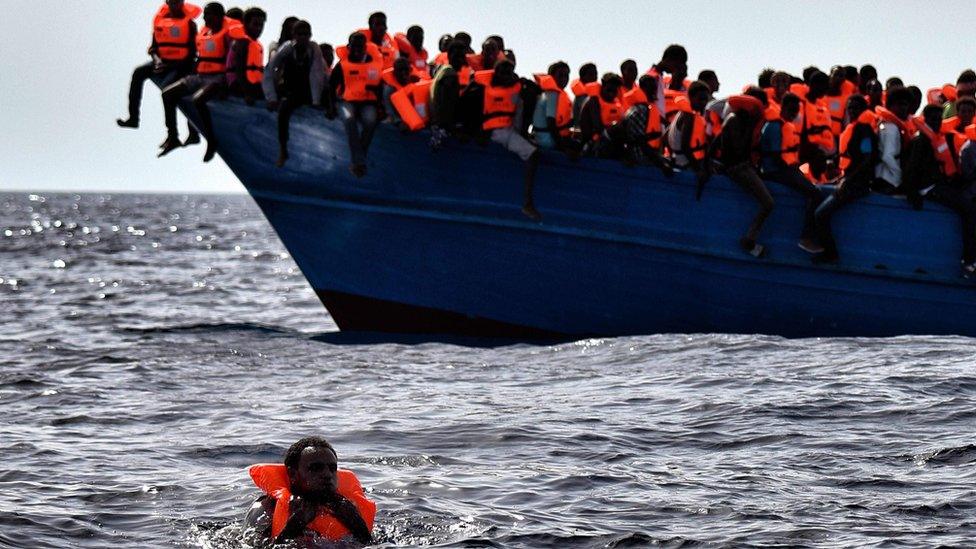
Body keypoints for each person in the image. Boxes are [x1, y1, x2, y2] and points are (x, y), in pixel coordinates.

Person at [244, 437, 375, 545]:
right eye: (315, 468)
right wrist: (294, 526)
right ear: (293, 474)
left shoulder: (349, 508)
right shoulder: (265, 508)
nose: (327, 474)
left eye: (332, 468)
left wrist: (358, 527)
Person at [159, 2, 238, 159]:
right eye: (205, 15)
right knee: (167, 94)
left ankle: (211, 140)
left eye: (210, 14)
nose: (206, 18)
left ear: (220, 17)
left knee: (198, 100)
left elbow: (233, 63)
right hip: (200, 76)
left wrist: (227, 86)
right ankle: (173, 136)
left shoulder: (228, 36)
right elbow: (199, 57)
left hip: (218, 78)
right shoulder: (205, 33)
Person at [904, 104, 976, 273]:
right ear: (926, 119)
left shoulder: (934, 138)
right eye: (933, 119)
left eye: (939, 119)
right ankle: (969, 260)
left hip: (936, 184)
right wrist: (912, 194)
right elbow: (910, 169)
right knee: (969, 209)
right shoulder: (921, 140)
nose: (937, 122)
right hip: (928, 188)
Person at [812, 94, 879, 263]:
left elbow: (867, 158)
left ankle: (830, 253)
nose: (852, 111)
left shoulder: (864, 130)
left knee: (820, 215)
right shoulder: (853, 128)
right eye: (850, 107)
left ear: (864, 110)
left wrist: (848, 180)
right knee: (818, 191)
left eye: (856, 107)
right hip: (850, 179)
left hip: (858, 184)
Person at [117, 0, 201, 131]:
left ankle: (173, 133)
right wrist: (157, 61)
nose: (174, 4)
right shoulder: (160, 21)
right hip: (162, 61)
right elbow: (153, 48)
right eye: (171, 2)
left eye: (177, 2)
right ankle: (133, 118)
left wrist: (170, 67)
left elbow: (192, 54)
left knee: (167, 89)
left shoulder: (190, 24)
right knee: (138, 72)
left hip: (182, 64)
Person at [759, 92, 827, 253]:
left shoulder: (785, 125)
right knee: (815, 194)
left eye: (796, 111)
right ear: (782, 108)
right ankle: (806, 237)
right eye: (791, 110)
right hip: (773, 171)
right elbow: (776, 157)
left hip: (782, 169)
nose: (794, 114)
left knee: (813, 187)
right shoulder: (774, 126)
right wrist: (792, 171)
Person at [476, 59, 542, 220]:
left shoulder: (518, 87)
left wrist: (521, 81)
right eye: (503, 72)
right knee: (534, 154)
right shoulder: (481, 87)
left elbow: (536, 91)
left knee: (526, 96)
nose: (507, 76)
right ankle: (527, 203)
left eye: (509, 72)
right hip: (496, 132)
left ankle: (524, 137)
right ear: (496, 73)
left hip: (510, 129)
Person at [263, 20, 326, 168]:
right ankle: (283, 149)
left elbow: (317, 73)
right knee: (283, 112)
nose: (303, 37)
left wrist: (316, 100)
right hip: (293, 90)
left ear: (310, 35)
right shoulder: (287, 48)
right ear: (294, 35)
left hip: (309, 89)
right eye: (300, 34)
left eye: (306, 34)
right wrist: (271, 97)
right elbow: (269, 71)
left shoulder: (314, 49)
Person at [718, 93, 772, 257]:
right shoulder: (735, 120)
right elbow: (739, 150)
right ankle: (749, 239)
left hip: (742, 166)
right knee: (768, 203)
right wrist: (751, 128)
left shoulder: (735, 119)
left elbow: (715, 144)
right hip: (737, 168)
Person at [330, 32, 384, 177]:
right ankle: (359, 162)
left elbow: (380, 88)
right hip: (346, 102)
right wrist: (330, 106)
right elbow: (331, 86)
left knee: (371, 121)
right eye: (354, 45)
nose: (357, 49)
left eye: (361, 46)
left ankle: (358, 160)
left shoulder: (374, 65)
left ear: (365, 47)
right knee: (349, 120)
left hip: (367, 103)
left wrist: (381, 107)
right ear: (349, 47)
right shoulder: (342, 65)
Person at [614, 74, 669, 171]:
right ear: (642, 89)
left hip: (649, 154)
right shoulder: (641, 110)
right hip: (641, 159)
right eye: (651, 88)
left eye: (655, 88)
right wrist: (661, 165)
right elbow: (640, 142)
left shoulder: (643, 108)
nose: (654, 91)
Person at [873, 86, 914, 194]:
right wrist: (900, 178)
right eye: (900, 104)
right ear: (890, 106)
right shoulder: (891, 127)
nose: (904, 108)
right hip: (888, 180)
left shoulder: (886, 125)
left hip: (883, 177)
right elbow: (887, 156)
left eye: (905, 105)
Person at [429, 40, 469, 146]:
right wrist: (451, 128)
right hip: (442, 126)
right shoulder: (450, 75)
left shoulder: (442, 70)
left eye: (462, 56)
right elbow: (447, 104)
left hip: (436, 123)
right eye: (457, 56)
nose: (460, 60)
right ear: (449, 55)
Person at [226, 7, 267, 106]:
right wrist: (247, 93)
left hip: (251, 82)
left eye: (261, 25)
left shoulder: (254, 43)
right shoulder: (242, 42)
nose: (259, 28)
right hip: (237, 83)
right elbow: (239, 69)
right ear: (246, 24)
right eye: (255, 24)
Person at [666, 80, 709, 171]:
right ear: (691, 97)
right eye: (700, 99)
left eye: (705, 100)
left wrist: (672, 156)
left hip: (678, 162)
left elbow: (665, 136)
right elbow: (685, 146)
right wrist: (698, 170)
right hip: (685, 165)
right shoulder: (688, 117)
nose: (703, 103)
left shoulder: (681, 113)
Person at [577, 73, 624, 155]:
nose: (611, 94)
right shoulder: (593, 101)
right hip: (591, 145)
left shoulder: (617, 104)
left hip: (609, 141)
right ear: (603, 85)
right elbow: (598, 128)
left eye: (614, 91)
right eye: (609, 90)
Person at [531, 61, 573, 151]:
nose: (564, 78)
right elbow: (551, 122)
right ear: (552, 76)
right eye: (560, 75)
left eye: (566, 75)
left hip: (552, 136)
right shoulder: (551, 94)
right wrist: (563, 147)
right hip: (547, 140)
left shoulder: (562, 95)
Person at [647, 44, 689, 118]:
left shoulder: (659, 78)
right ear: (669, 60)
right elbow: (649, 108)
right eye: (676, 66)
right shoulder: (652, 79)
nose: (675, 70)